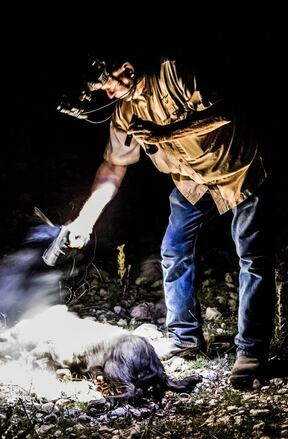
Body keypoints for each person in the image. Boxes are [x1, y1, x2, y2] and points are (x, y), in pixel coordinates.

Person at [61, 54, 275, 389]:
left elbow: (224, 111)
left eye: (111, 83)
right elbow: (114, 166)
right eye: (103, 89)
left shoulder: (174, 72)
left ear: (127, 67)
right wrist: (85, 220)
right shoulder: (124, 113)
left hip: (236, 169)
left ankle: (251, 352)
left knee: (252, 257)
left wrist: (165, 132)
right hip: (190, 180)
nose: (110, 93)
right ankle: (185, 340)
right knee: (173, 250)